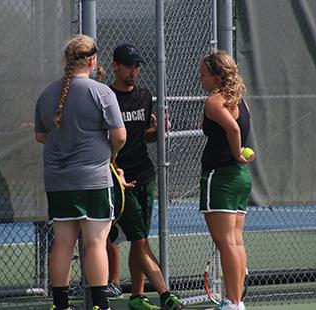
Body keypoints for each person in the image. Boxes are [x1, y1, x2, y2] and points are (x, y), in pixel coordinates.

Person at [34, 34, 126, 310]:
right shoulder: (101, 92)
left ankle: (60, 306)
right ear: (92, 59)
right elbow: (119, 135)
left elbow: (41, 136)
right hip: (93, 179)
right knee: (97, 242)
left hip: (58, 180)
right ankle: (100, 305)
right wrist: (111, 154)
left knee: (62, 242)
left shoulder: (47, 94)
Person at [106, 43, 184, 310]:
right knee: (139, 240)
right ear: (115, 65)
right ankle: (165, 294)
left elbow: (142, 137)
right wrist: (112, 169)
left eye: (137, 66)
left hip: (145, 176)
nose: (134, 70)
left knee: (141, 241)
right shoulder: (106, 97)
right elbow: (104, 140)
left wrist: (158, 129)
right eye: (129, 65)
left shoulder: (144, 95)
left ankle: (137, 297)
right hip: (121, 181)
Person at [198, 50, 255, 310]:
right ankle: (237, 301)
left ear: (217, 76)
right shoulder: (241, 100)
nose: (201, 78)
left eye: (204, 74)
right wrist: (239, 156)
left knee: (226, 242)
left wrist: (235, 153)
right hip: (240, 178)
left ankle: (232, 302)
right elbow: (240, 126)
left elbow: (233, 128)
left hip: (220, 177)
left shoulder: (215, 102)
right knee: (236, 240)